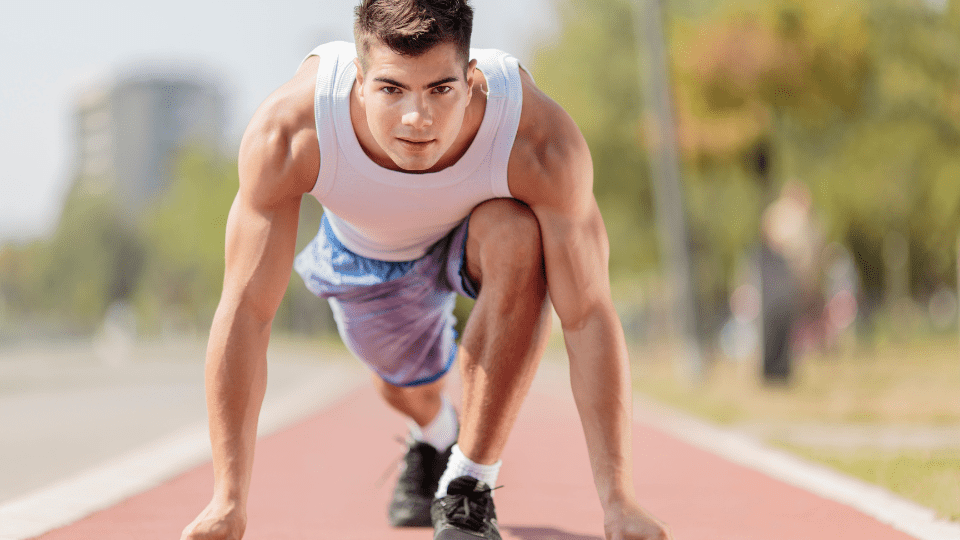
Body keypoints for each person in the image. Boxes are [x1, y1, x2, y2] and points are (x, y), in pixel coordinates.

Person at [181, 1, 671, 539]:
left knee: (520, 237)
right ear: (359, 80)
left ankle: (467, 486)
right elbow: (247, 312)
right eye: (392, 90)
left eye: (440, 90)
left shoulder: (536, 139)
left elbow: (587, 314)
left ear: (471, 77)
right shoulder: (292, 131)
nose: (418, 119)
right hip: (371, 258)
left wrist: (619, 500)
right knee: (406, 388)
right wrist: (227, 500)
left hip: (477, 236)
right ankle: (435, 431)